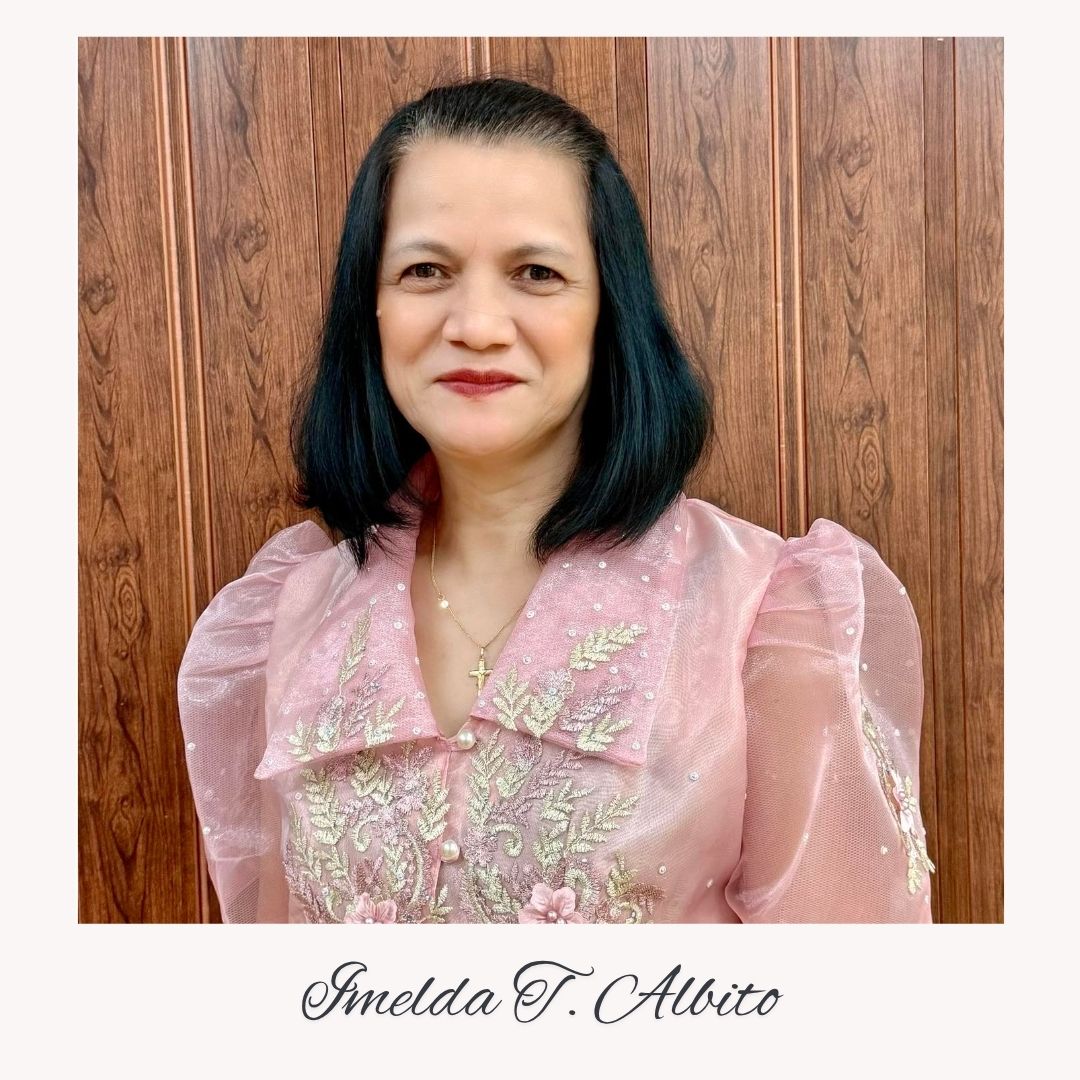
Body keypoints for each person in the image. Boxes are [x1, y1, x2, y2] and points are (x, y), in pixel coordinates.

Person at [176, 76, 935, 924]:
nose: (477, 324)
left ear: (609, 307)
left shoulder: (762, 611)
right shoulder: (290, 617)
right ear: (371, 307)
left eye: (536, 272)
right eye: (425, 270)